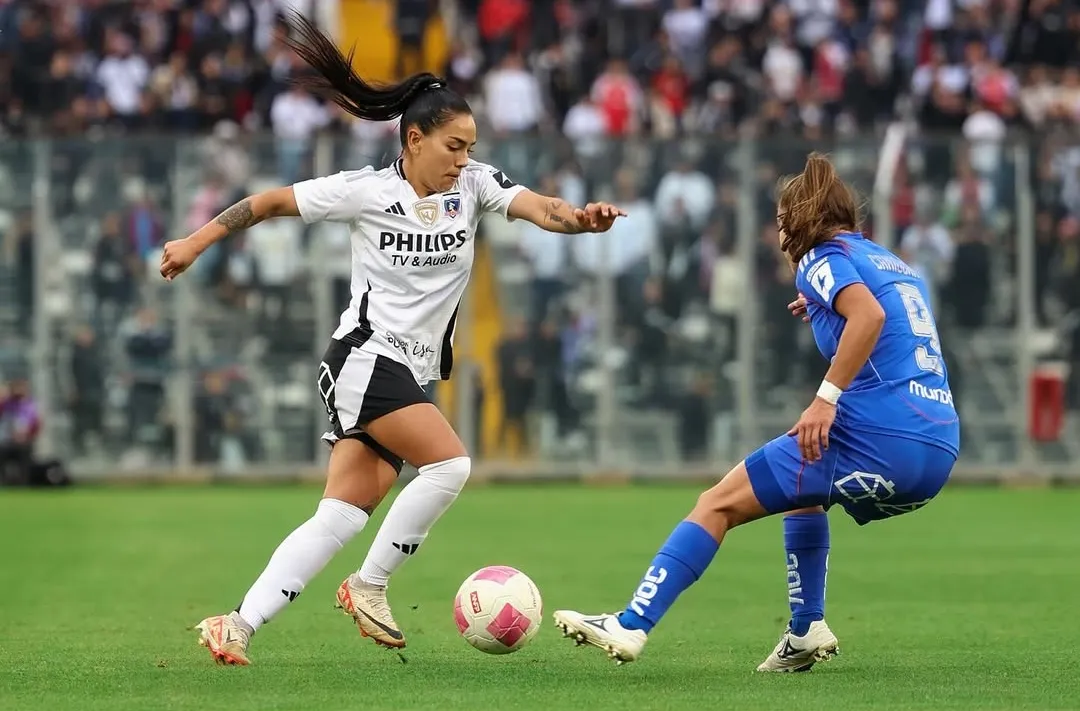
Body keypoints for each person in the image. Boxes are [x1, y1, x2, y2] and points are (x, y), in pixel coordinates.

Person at [159, 13, 625, 666]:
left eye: (469, 147)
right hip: (363, 357)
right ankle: (369, 583)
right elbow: (265, 203)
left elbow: (540, 207)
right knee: (451, 463)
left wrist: (580, 219)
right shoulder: (364, 192)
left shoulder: (474, 186)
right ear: (414, 138)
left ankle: (236, 622)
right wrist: (193, 243)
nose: (463, 159)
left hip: (409, 369)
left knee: (341, 517)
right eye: (454, 146)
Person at [553, 153, 961, 670]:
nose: (780, 237)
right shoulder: (887, 261)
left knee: (716, 504)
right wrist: (822, 306)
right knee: (804, 494)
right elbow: (889, 317)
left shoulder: (822, 257)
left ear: (800, 222)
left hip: (879, 434)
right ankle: (806, 628)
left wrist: (824, 398)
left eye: (781, 223)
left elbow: (869, 316)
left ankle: (631, 623)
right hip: (937, 444)